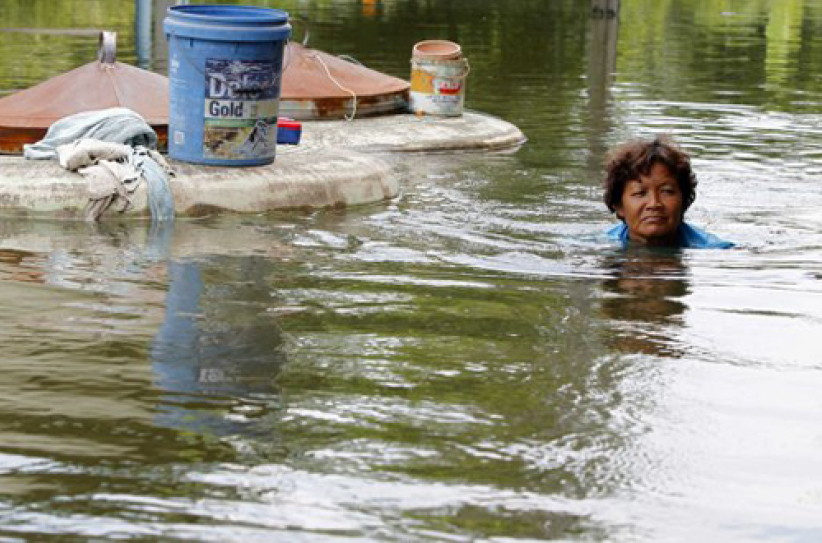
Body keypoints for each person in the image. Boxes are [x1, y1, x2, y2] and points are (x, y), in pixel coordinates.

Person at [603, 136, 734, 249]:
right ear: (619, 206)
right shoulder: (602, 242)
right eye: (640, 193)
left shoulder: (715, 250)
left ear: (684, 201)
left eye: (666, 191)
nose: (654, 204)